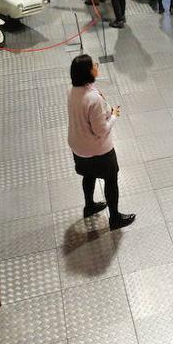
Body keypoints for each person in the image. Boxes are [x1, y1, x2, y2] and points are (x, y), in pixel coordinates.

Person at [67, 54, 135, 230]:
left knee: (88, 175)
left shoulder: (72, 91)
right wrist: (114, 116)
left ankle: (89, 206)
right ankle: (115, 218)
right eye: (94, 65)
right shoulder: (93, 98)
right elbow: (101, 130)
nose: (97, 66)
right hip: (97, 150)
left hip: (78, 146)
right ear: (88, 72)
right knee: (111, 179)